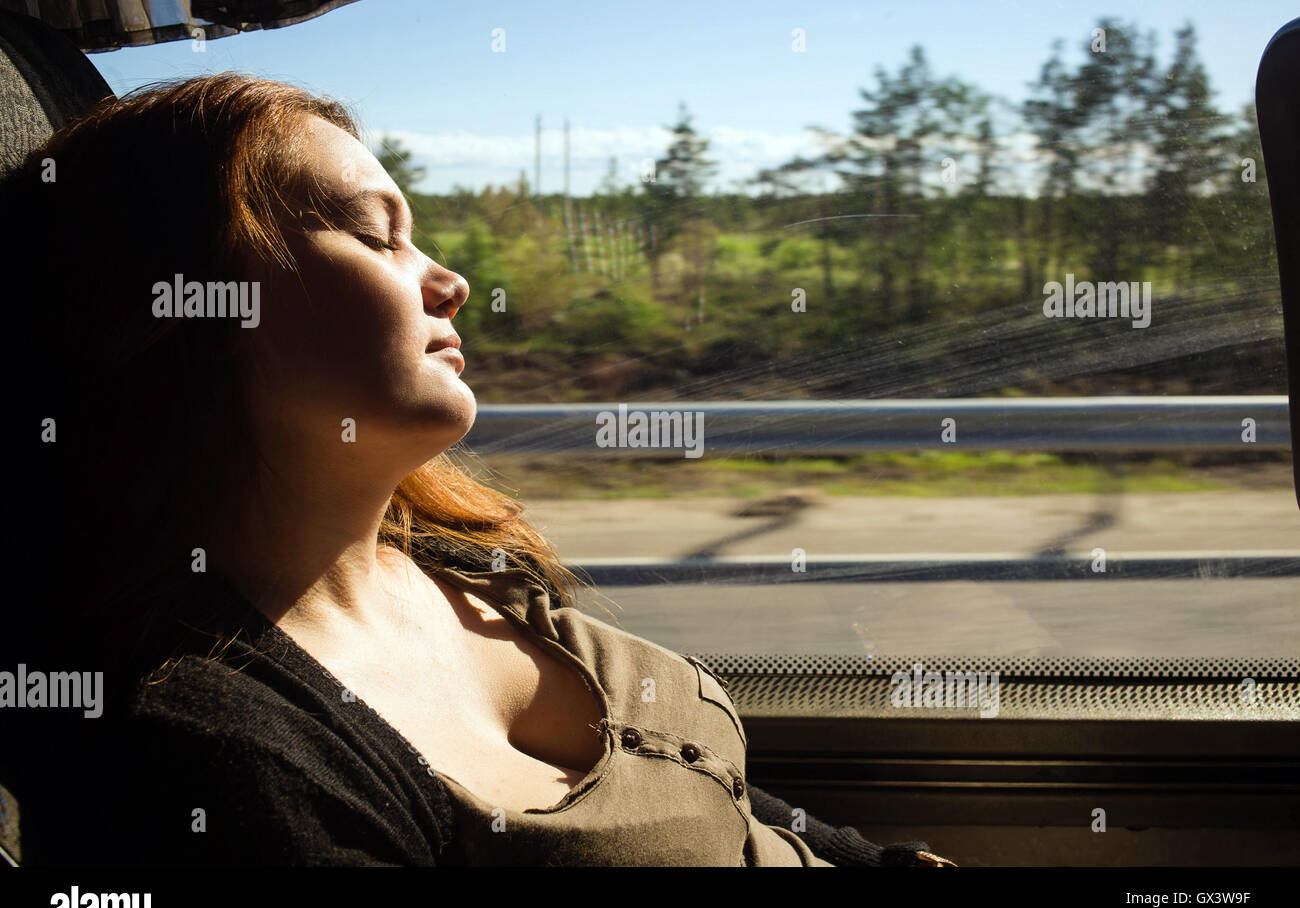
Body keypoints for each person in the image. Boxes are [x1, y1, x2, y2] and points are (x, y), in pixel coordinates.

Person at [0, 72, 952, 867]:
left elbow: (727, 805)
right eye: (380, 235)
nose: (449, 280)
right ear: (186, 304)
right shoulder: (214, 764)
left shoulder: (468, 560)